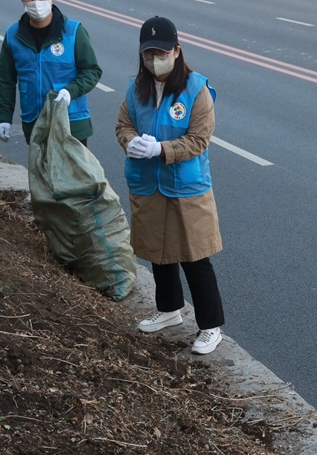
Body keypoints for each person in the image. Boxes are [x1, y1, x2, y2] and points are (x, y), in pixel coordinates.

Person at [115, 16, 226, 355]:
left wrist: (161, 149)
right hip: (148, 182)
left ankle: (211, 326)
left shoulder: (196, 90)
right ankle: (168, 310)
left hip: (185, 185)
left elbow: (199, 139)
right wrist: (131, 142)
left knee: (194, 256)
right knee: (158, 252)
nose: (154, 60)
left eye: (161, 53)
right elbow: (123, 124)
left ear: (176, 51)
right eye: (148, 54)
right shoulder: (137, 88)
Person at [0, 0, 102, 146]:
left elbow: (92, 70)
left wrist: (70, 91)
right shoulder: (13, 35)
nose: (36, 3)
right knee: (39, 162)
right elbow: (5, 80)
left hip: (71, 123)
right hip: (34, 122)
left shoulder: (73, 31)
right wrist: (4, 118)